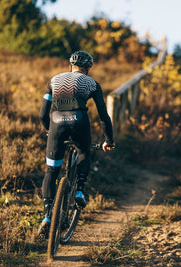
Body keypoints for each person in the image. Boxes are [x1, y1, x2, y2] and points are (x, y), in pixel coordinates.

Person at [38, 51, 115, 237]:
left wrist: (50, 131)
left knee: (51, 171)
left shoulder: (54, 81)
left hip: (56, 122)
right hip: (79, 121)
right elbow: (104, 116)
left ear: (70, 66)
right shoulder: (92, 84)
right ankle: (79, 191)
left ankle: (48, 216)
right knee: (83, 151)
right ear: (88, 68)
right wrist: (109, 140)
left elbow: (42, 114)